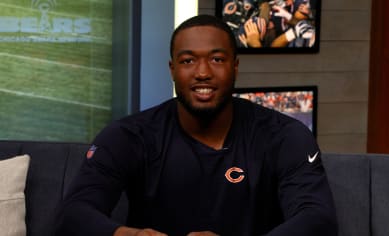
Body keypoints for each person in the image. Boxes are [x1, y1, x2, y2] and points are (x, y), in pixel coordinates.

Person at [55, 14, 337, 236]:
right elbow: (74, 214)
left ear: (235, 67)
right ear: (172, 69)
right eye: (188, 60)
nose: (203, 73)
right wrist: (127, 234)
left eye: (216, 59)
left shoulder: (283, 135)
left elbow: (317, 219)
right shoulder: (130, 135)